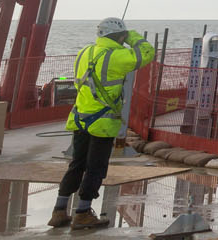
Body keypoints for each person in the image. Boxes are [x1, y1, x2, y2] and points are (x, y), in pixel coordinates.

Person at [51, 17, 153, 229]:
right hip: (102, 121)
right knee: (95, 167)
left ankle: (59, 211)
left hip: (80, 118)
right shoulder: (116, 57)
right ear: (120, 36)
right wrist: (132, 36)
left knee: (76, 164)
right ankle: (83, 213)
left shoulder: (84, 52)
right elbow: (147, 53)